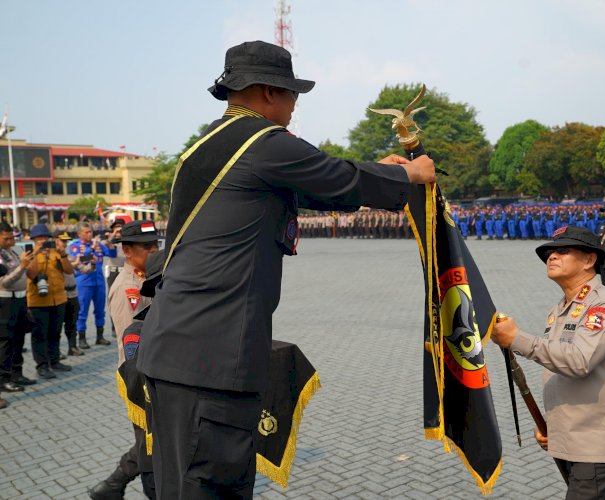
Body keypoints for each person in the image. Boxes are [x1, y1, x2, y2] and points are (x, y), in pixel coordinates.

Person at [136, 40, 435, 498]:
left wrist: (380, 170)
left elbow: (322, 186)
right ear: (268, 91)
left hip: (179, 351)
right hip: (211, 361)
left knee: (180, 485)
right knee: (211, 487)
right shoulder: (264, 143)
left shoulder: (210, 145)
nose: (296, 104)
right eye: (293, 93)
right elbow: (339, 177)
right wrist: (409, 176)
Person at [491, 225, 605, 499]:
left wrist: (517, 339)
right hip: (576, 442)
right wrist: (554, 427)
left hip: (599, 448)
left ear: (589, 259)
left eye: (562, 250)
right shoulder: (561, 308)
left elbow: (579, 361)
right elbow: (560, 370)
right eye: (549, 252)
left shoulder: (604, 305)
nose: (552, 256)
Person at [89, 221, 159, 500]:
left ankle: (111, 486)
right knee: (150, 444)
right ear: (127, 251)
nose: (154, 251)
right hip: (139, 375)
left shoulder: (149, 276)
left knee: (152, 440)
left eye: (156, 245)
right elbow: (133, 344)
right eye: (147, 247)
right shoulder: (127, 288)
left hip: (156, 370)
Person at [26, 224, 75, 379]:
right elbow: (30, 274)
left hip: (58, 299)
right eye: (39, 238)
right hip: (38, 302)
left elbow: (69, 270)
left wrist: (63, 254)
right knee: (40, 334)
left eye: (45, 237)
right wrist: (36, 253)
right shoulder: (30, 254)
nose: (43, 240)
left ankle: (54, 361)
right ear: (33, 239)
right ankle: (41, 365)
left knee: (55, 332)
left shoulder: (56, 252)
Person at [0, 221, 35, 407]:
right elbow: (5, 282)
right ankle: (4, 379)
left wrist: (26, 264)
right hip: (6, 301)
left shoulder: (12, 252)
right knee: (6, 341)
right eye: (7, 238)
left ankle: (16, 373)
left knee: (19, 339)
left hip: (20, 299)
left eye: (12, 236)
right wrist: (22, 267)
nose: (11, 240)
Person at [69, 222, 117, 348]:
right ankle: (82, 338)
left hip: (99, 282)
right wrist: (92, 249)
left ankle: (100, 336)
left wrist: (111, 241)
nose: (89, 234)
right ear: (79, 234)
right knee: (82, 310)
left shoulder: (97, 245)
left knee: (100, 310)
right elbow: (82, 261)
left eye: (90, 232)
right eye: (86, 232)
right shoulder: (75, 246)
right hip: (84, 282)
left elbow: (112, 254)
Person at [56, 231, 93, 356]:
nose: (64, 244)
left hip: (72, 294)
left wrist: (92, 264)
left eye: (66, 241)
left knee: (72, 322)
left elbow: (83, 269)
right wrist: (74, 264)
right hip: (59, 294)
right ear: (55, 240)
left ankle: (72, 347)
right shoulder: (52, 257)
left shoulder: (69, 256)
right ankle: (55, 351)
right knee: (57, 324)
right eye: (62, 240)